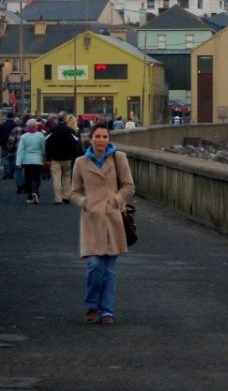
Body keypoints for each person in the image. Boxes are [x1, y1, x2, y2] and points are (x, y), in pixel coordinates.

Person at [71, 124, 135, 325]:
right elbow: (74, 192)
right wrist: (83, 202)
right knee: (94, 265)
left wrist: (117, 199)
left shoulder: (119, 158)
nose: (101, 140)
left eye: (105, 136)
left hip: (113, 218)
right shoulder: (81, 162)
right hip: (92, 220)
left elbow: (129, 185)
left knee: (109, 270)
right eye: (97, 136)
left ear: (109, 138)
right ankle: (92, 304)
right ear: (91, 139)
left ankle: (107, 311)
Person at [45, 114, 83, 204]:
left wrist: (48, 157)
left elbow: (47, 142)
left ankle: (58, 198)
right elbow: (76, 143)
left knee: (56, 178)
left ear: (58, 120)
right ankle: (66, 196)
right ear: (66, 120)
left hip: (55, 157)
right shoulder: (70, 131)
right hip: (67, 157)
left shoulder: (53, 130)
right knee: (66, 176)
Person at [15, 119, 47, 204]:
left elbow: (20, 150)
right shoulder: (41, 136)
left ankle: (30, 196)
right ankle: (35, 191)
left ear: (27, 126)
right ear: (36, 126)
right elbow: (43, 149)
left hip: (27, 160)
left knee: (28, 178)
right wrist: (44, 159)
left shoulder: (24, 136)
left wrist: (18, 162)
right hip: (38, 160)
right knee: (36, 178)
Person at [0, 113, 19, 179]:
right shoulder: (16, 125)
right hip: (14, 146)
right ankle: (12, 173)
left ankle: (6, 173)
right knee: (13, 159)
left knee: (5, 159)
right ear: (13, 117)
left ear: (7, 117)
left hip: (4, 145)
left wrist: (0, 143)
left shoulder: (2, 125)